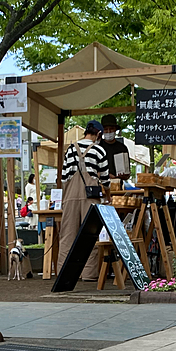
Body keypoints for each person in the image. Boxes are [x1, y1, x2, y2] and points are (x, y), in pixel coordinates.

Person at [57, 120, 109, 280]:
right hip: (91, 198)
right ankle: (88, 274)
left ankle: (64, 273)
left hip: (71, 197)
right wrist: (108, 197)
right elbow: (106, 180)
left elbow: (64, 177)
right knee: (89, 235)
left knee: (67, 235)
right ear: (98, 134)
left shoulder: (70, 149)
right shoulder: (100, 151)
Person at [99, 114, 131, 181]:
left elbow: (128, 173)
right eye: (106, 129)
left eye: (111, 129)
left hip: (118, 185)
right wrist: (107, 175)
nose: (108, 132)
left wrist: (124, 175)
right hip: (101, 184)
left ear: (115, 130)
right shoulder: (98, 147)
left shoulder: (122, 148)